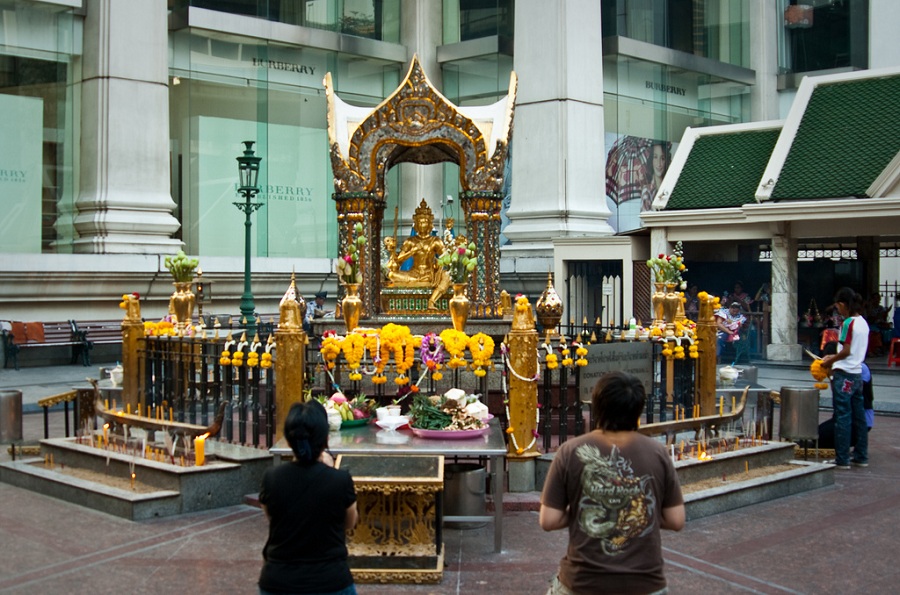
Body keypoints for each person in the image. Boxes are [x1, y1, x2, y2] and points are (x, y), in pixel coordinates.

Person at [539, 371, 684, 595]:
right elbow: (676, 520)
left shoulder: (570, 451)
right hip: (645, 585)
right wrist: (637, 513)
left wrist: (585, 512)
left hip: (583, 584)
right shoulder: (658, 453)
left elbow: (548, 520)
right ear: (638, 409)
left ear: (597, 407)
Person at [258, 400, 358, 595]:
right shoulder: (340, 480)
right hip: (330, 581)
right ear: (326, 439)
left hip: (279, 581)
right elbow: (349, 522)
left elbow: (273, 518)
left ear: (288, 440)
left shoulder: (271, 478)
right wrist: (329, 471)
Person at [821, 287, 869, 469]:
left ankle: (842, 458)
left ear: (843, 304)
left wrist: (829, 361)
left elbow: (846, 351)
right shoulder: (863, 322)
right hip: (857, 373)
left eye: (838, 307)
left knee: (842, 417)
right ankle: (861, 456)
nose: (838, 311)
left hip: (844, 374)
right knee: (859, 417)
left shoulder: (848, 323)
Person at [385, 199, 451, 309]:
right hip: (414, 273)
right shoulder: (410, 241)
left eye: (424, 221)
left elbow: (447, 257)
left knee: (447, 275)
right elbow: (399, 261)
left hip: (429, 274)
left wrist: (438, 264)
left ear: (429, 223)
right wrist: (412, 251)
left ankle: (432, 300)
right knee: (392, 275)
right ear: (416, 224)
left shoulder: (435, 241)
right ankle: (417, 282)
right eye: (419, 222)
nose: (422, 224)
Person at [817, 341, 874, 449]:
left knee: (821, 438)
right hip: (844, 418)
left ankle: (847, 453)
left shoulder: (860, 367)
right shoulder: (839, 370)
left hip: (859, 421)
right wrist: (831, 375)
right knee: (815, 434)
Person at [640, 141, 670, 212]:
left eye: (662, 158)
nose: (659, 164)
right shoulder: (647, 192)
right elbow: (644, 221)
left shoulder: (669, 186)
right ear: (651, 160)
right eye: (655, 157)